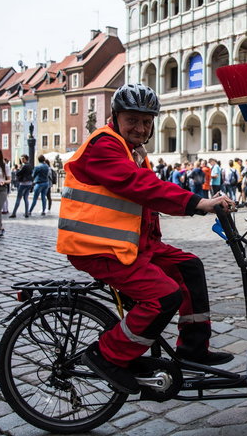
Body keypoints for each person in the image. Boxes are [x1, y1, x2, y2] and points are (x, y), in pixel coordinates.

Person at [57, 84, 233, 395]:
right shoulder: (104, 146)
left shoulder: (131, 150)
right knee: (164, 296)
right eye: (133, 121)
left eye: (147, 122)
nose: (140, 128)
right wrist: (198, 204)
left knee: (190, 267)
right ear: (116, 118)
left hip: (135, 245)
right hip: (99, 248)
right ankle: (107, 355)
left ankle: (192, 348)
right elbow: (141, 187)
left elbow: (146, 195)